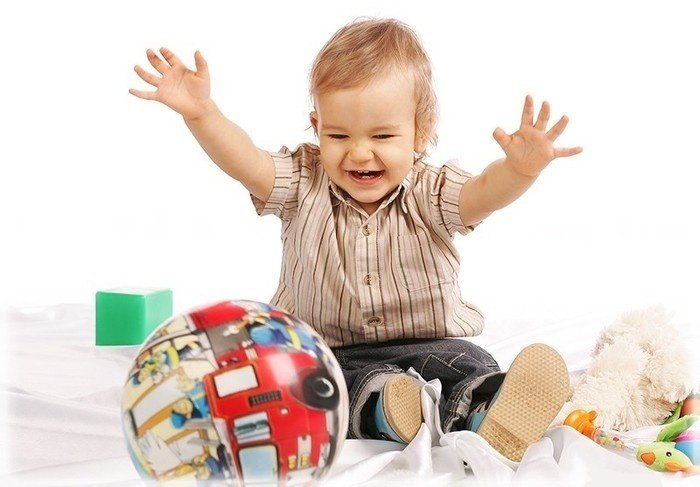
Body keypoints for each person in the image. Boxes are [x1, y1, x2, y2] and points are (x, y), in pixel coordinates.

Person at [129, 17, 581, 462]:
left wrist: (519, 170)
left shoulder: (433, 191)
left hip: (430, 343)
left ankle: (487, 406)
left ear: (421, 131)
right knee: (310, 389)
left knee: (467, 361)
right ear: (316, 126)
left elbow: (484, 192)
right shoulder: (302, 182)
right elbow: (246, 161)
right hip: (326, 352)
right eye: (339, 135)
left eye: (382, 136)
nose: (360, 152)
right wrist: (202, 113)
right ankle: (386, 409)